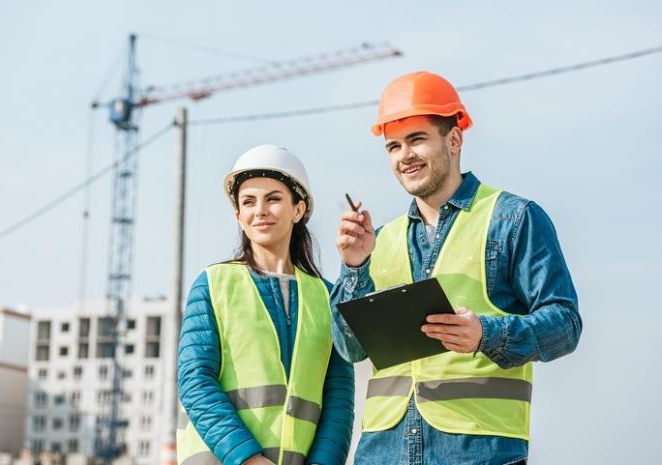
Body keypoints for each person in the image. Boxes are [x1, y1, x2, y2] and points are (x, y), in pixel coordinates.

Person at [331, 72, 582, 465]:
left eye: (417, 139)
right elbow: (349, 348)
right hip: (383, 451)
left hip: (477, 450)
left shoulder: (514, 219)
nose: (404, 156)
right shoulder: (379, 240)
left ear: (454, 139)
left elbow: (565, 325)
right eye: (393, 146)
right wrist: (353, 266)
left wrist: (487, 333)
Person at [177, 144, 354, 465]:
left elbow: (339, 397)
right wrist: (247, 457)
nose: (260, 210)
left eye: (273, 199)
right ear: (238, 216)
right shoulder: (213, 284)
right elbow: (194, 381)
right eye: (248, 202)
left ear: (298, 210)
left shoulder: (328, 297)